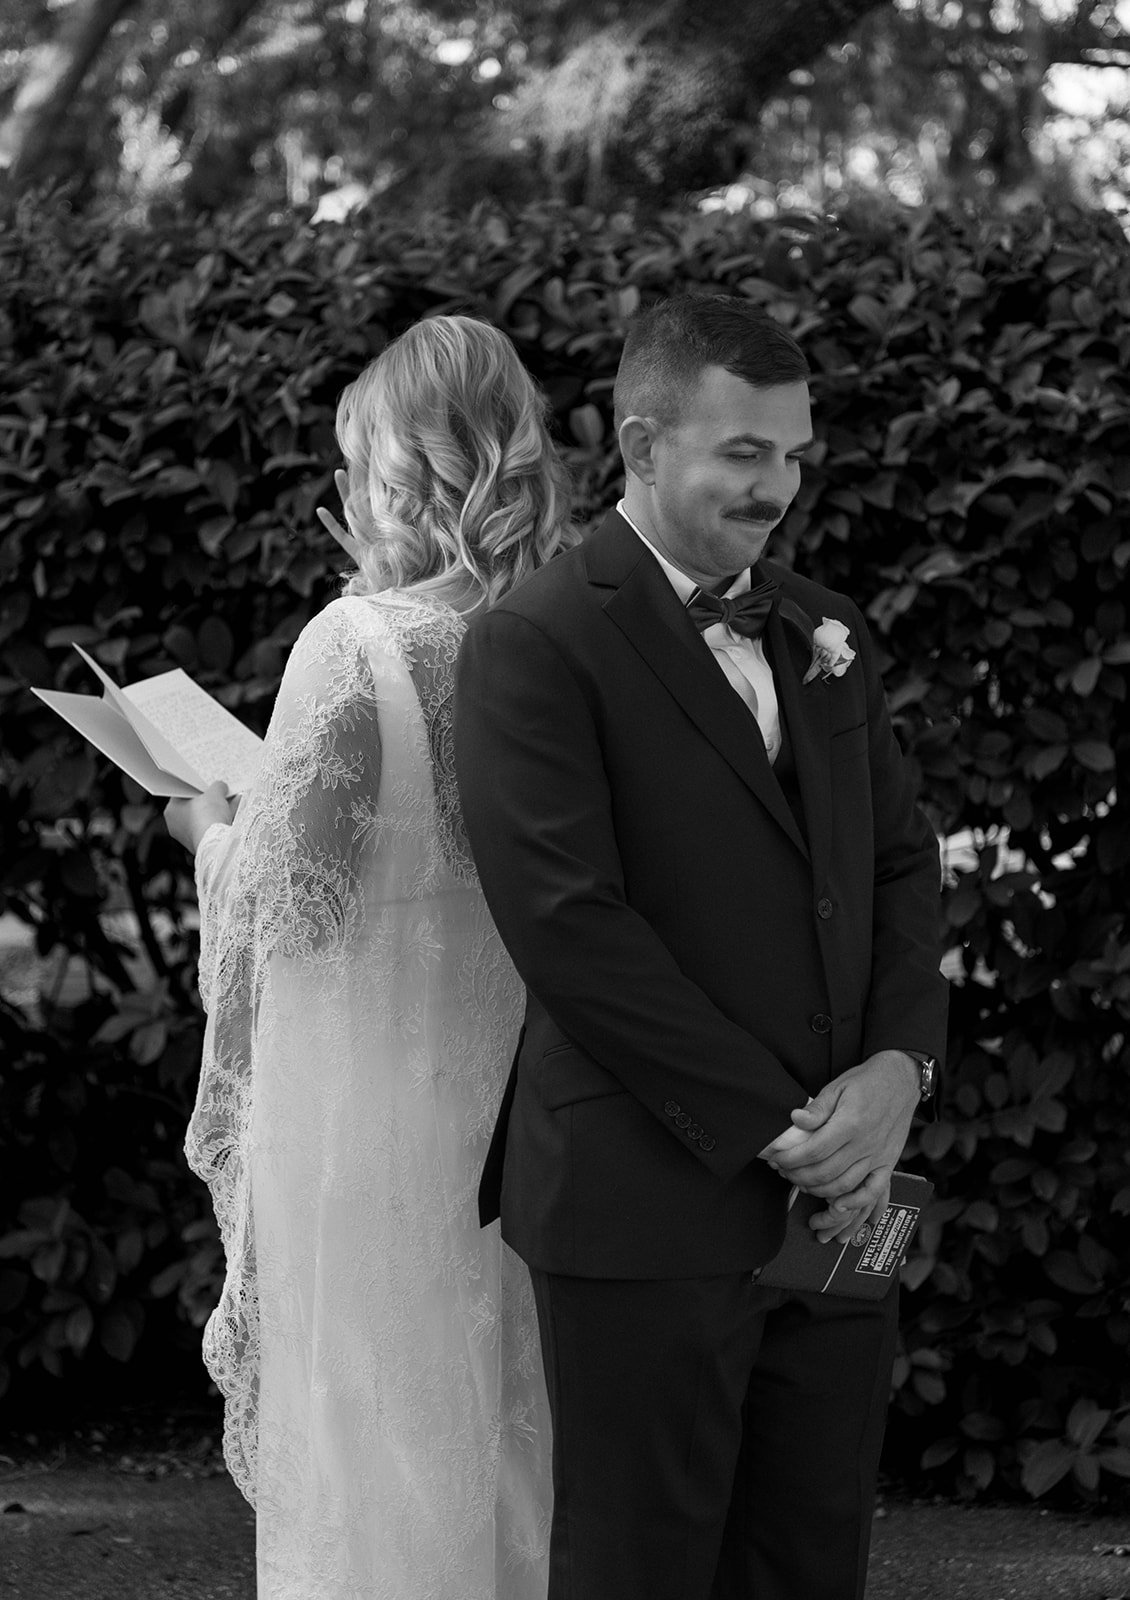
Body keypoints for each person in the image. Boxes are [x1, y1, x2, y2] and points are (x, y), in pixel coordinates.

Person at [453, 293, 949, 1600]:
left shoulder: (828, 631)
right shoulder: (535, 641)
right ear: (639, 443)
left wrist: (897, 1072)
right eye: (742, 452)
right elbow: (568, 928)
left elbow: (898, 864)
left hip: (846, 1197)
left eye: (791, 454)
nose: (775, 487)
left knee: (808, 1559)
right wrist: (782, 1127)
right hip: (644, 1197)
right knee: (643, 1568)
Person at [164, 314, 574, 1600]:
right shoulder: (566, 633)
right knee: (509, 1424)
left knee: (375, 1434)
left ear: (396, 470)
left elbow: (291, 908)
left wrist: (208, 831)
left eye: (355, 465)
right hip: (524, 1109)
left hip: (368, 1125)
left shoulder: (357, 644)